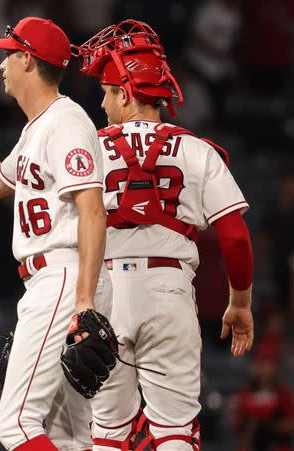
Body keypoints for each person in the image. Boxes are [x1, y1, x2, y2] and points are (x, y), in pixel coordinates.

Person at [73, 20, 254, 450]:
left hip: (106, 292)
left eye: (107, 91)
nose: (102, 102)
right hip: (169, 289)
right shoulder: (198, 149)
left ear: (127, 93)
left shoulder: (89, 149)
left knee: (108, 433)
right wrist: (240, 302)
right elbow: (235, 238)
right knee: (175, 430)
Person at [0, 16, 112, 450]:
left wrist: (84, 302)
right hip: (51, 279)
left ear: (29, 61)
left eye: (8, 54)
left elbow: (91, 211)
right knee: (68, 436)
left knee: (14, 423)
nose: (0, 64)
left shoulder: (67, 121)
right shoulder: (38, 127)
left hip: (64, 277)